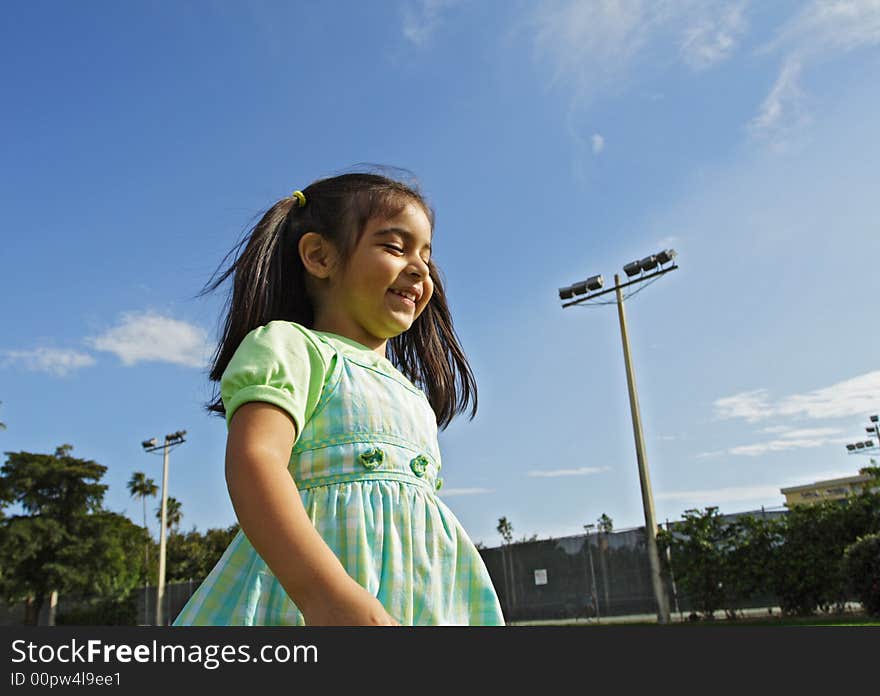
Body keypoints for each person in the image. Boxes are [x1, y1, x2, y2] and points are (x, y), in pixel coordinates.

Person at [172, 169, 505, 626]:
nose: (420, 268)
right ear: (319, 256)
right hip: (307, 605)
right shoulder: (291, 347)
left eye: (426, 255)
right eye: (394, 246)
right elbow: (255, 460)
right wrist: (325, 596)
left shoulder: (411, 392)